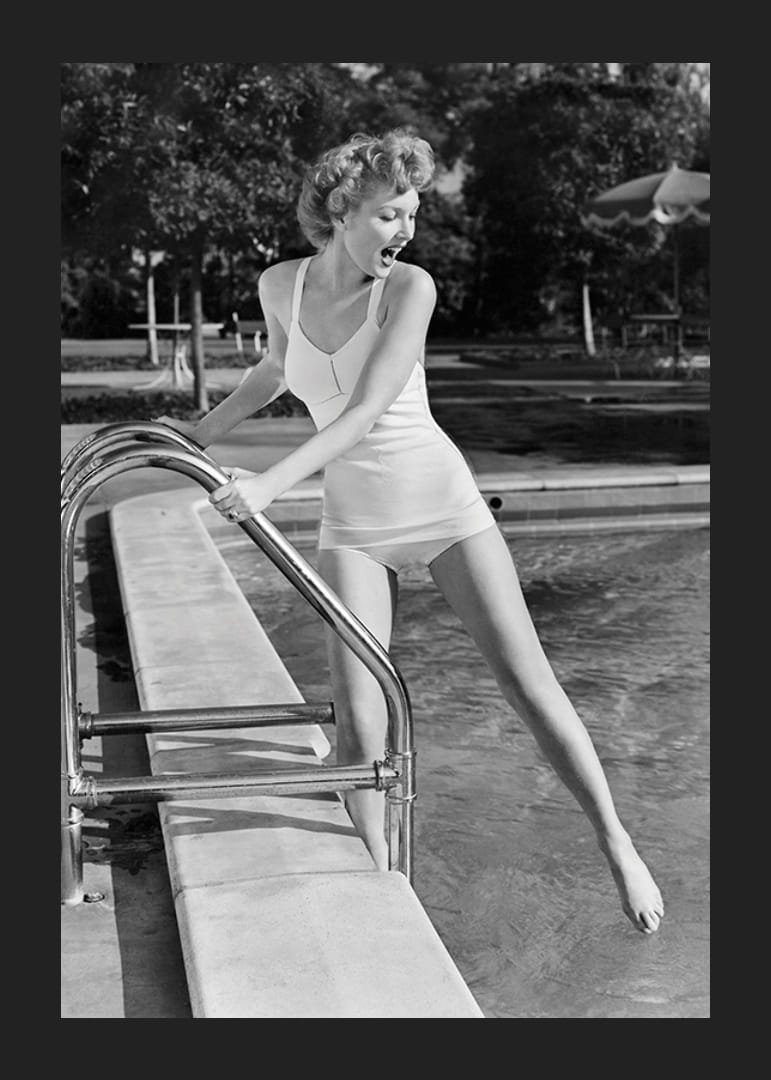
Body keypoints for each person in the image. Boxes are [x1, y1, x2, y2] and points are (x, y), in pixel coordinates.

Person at [156, 129, 664, 934]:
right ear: (339, 209)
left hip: (441, 506)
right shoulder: (278, 283)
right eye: (391, 213)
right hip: (353, 522)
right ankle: (385, 891)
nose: (405, 230)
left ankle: (615, 842)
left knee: (526, 687)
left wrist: (274, 480)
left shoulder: (409, 289)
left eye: (412, 214)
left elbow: (363, 410)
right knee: (359, 723)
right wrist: (198, 435)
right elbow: (275, 371)